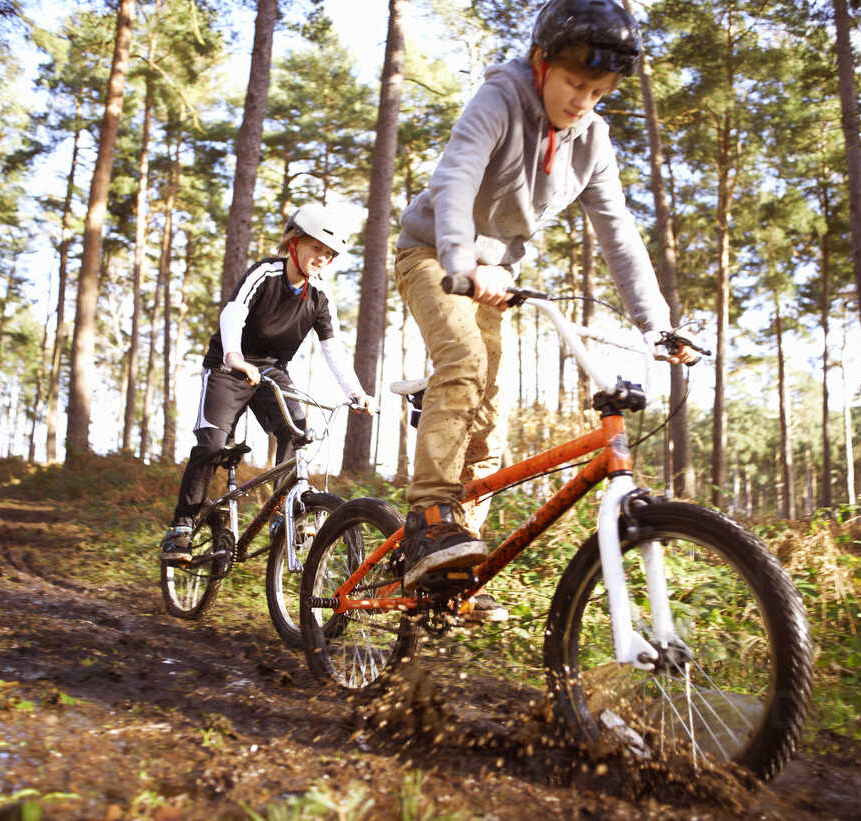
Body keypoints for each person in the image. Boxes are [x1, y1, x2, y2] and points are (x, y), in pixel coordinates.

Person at [394, 0, 701, 592]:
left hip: (494, 277)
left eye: (598, 91)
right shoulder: (500, 99)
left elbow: (618, 232)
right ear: (541, 62)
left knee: (490, 418)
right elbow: (455, 177)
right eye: (574, 83)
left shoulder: (593, 140)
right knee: (462, 363)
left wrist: (655, 323)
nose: (581, 101)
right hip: (435, 254)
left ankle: (456, 568)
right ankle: (429, 519)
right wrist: (462, 261)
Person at [161, 202, 374, 558]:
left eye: (329, 254)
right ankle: (182, 526)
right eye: (316, 248)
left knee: (297, 432)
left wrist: (357, 392)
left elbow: (332, 348)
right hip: (228, 367)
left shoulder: (320, 296)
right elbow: (233, 313)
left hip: (271, 371)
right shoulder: (265, 274)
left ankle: (281, 513)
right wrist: (234, 357)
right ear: (294, 242)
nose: (321, 258)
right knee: (212, 445)